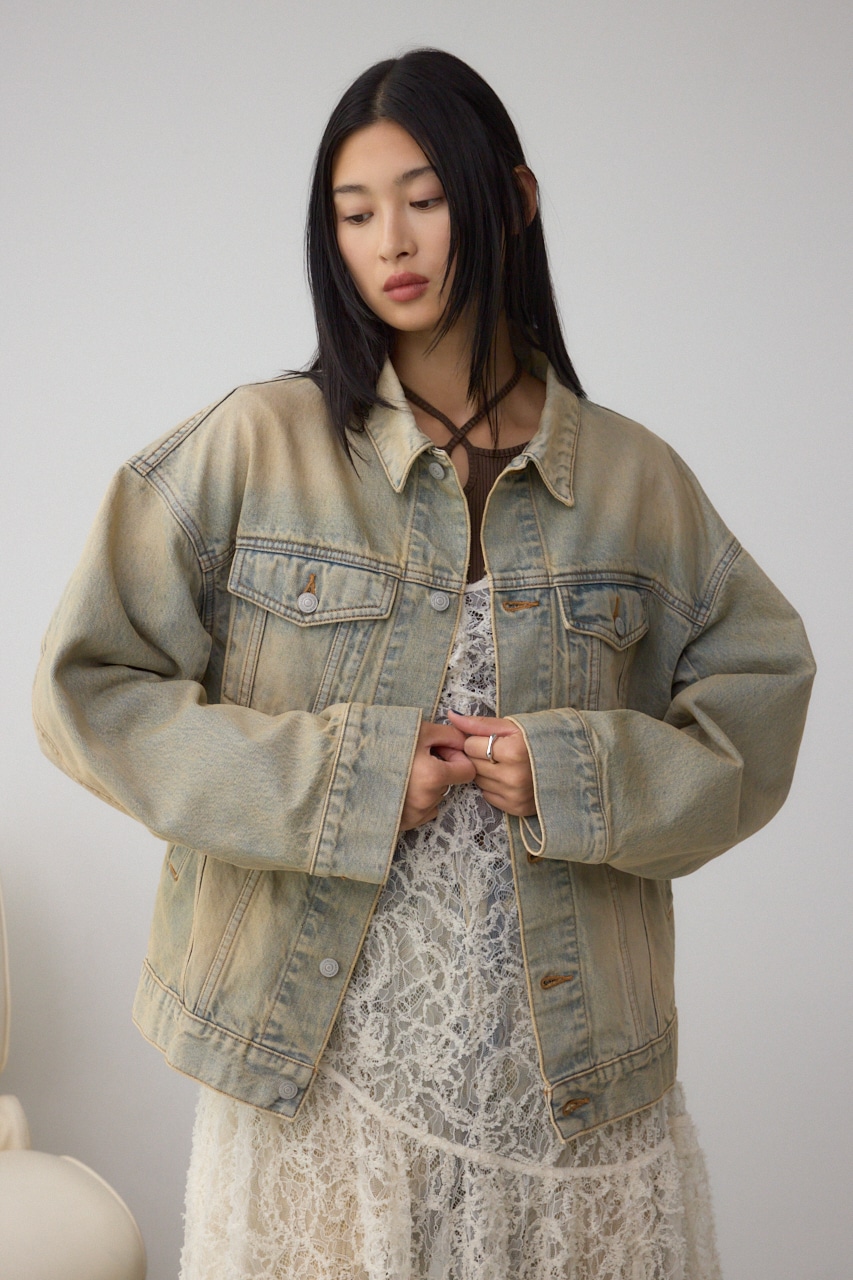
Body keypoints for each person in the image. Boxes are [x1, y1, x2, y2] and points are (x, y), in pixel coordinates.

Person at [33, 48, 814, 1280]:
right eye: (353, 214)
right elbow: (87, 689)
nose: (389, 241)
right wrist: (342, 778)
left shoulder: (635, 481)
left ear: (512, 201)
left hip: (571, 1107)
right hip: (322, 1097)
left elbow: (758, 703)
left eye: (424, 198)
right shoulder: (255, 446)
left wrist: (578, 772)